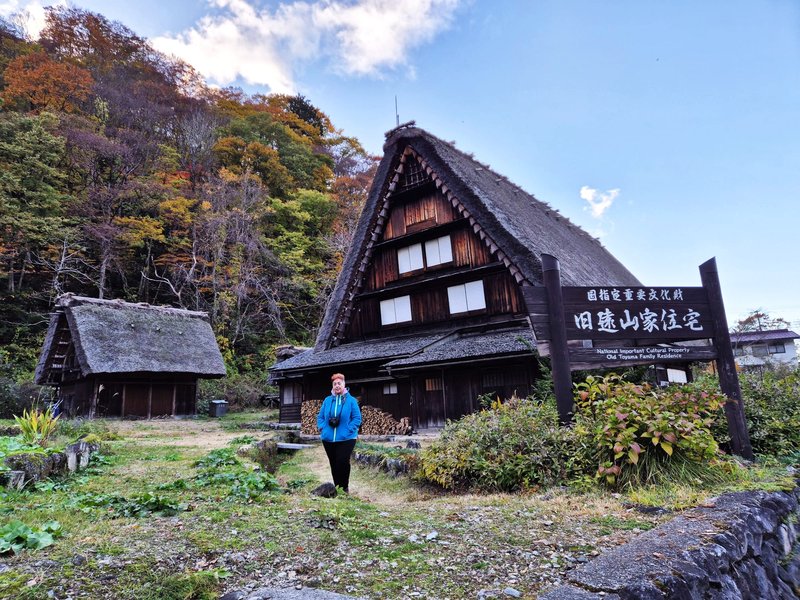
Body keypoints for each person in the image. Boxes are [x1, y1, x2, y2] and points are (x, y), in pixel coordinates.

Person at [316, 373, 362, 493]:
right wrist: (322, 427)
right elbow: (320, 417)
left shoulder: (351, 401)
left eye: (339, 383)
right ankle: (337, 488)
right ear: (332, 386)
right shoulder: (327, 400)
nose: (337, 386)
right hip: (328, 438)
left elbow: (357, 418)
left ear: (344, 384)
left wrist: (349, 429)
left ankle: (344, 487)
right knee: (334, 463)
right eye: (335, 384)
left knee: (342, 461)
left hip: (347, 438)